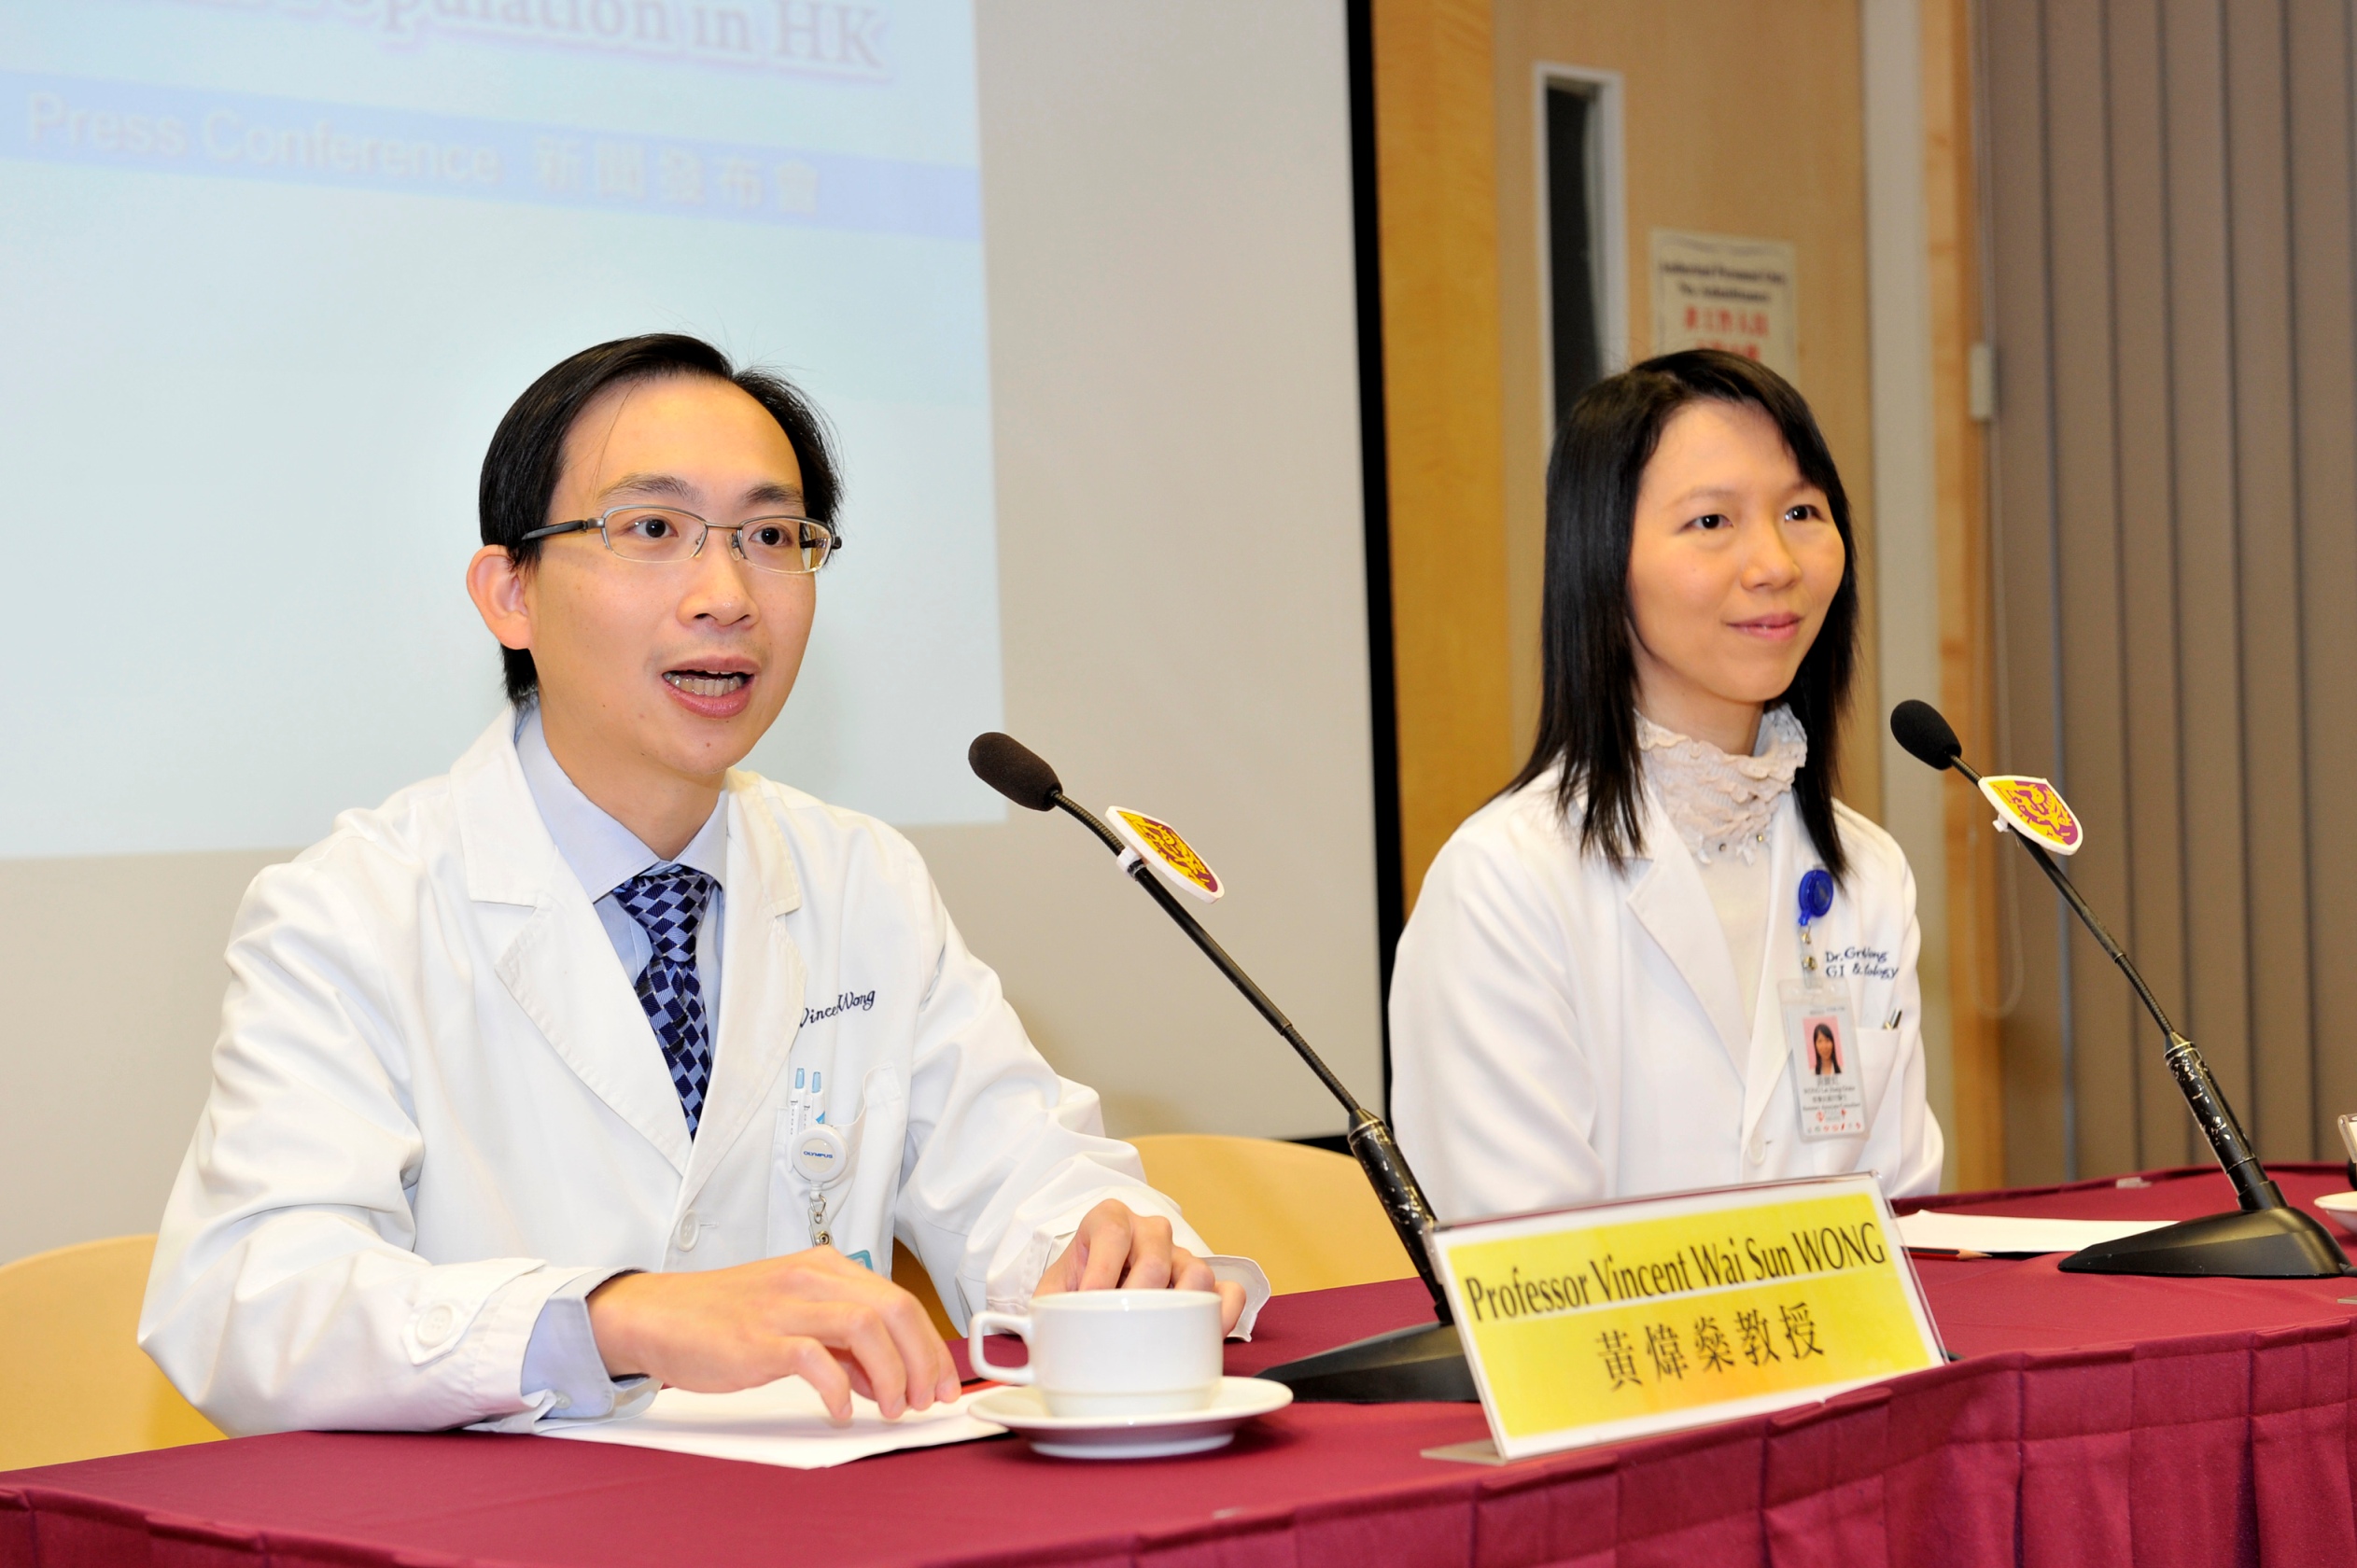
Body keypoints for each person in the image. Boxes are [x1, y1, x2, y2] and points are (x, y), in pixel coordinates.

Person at [140, 333, 1266, 1437]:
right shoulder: (353, 908)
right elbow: (248, 1302)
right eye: (652, 529)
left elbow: (1021, 1174)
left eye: (773, 535)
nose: (727, 592)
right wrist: (619, 1318)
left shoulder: (857, 878)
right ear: (509, 594)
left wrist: (1100, 1250)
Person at [1390, 349, 1942, 1222]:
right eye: (1711, 522)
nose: (1774, 563)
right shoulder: (1504, 881)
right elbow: (1522, 1266)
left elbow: (1904, 1216)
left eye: (1801, 510)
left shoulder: (1866, 873)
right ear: (1603, 562)